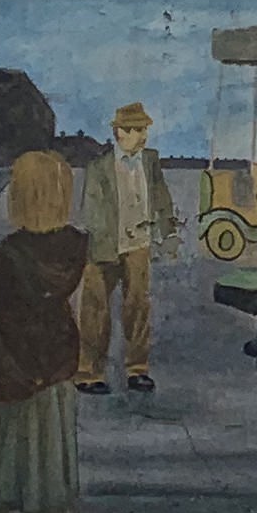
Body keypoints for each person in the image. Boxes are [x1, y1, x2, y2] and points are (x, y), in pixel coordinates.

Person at [0, 148, 90, 513]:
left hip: (11, 357)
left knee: (4, 431)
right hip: (56, 351)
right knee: (50, 434)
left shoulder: (10, 253)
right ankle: (54, 508)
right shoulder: (76, 244)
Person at [75, 102, 180, 396]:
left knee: (138, 307)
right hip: (104, 247)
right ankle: (89, 372)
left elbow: (162, 198)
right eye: (137, 130)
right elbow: (91, 211)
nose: (143, 136)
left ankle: (137, 370)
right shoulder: (99, 167)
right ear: (120, 132)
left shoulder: (150, 161)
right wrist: (109, 235)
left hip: (138, 247)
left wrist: (168, 233)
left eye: (144, 130)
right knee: (95, 309)